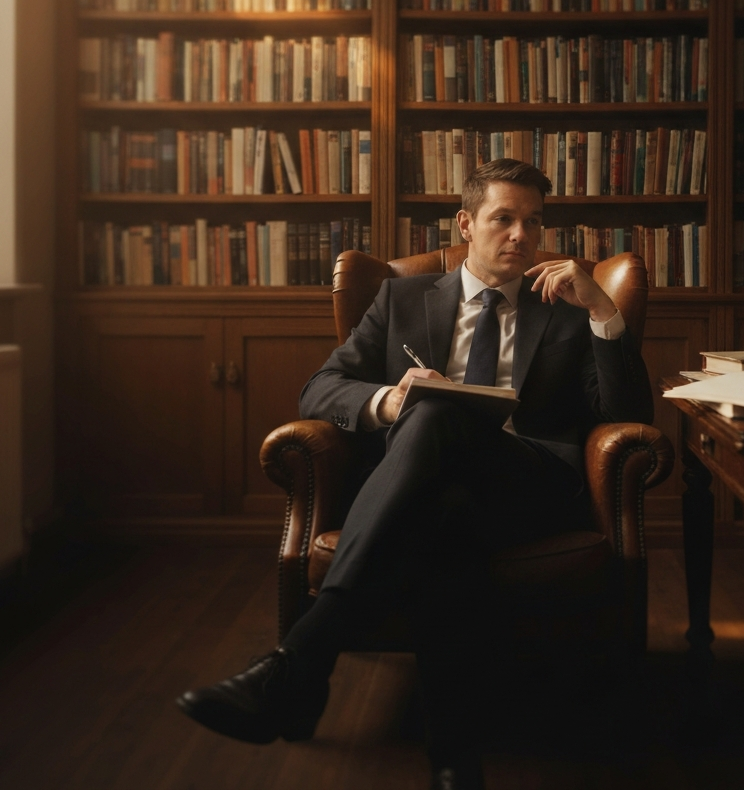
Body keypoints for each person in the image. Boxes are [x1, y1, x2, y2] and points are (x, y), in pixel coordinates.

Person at [177, 158, 654, 789]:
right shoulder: (400, 297)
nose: (521, 236)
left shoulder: (567, 307)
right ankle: (455, 762)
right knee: (441, 502)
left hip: (527, 484)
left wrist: (602, 310)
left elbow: (627, 416)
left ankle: (300, 664)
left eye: (534, 223)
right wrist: (389, 402)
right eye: (504, 219)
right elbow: (320, 388)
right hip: (430, 489)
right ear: (466, 222)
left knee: (435, 421)